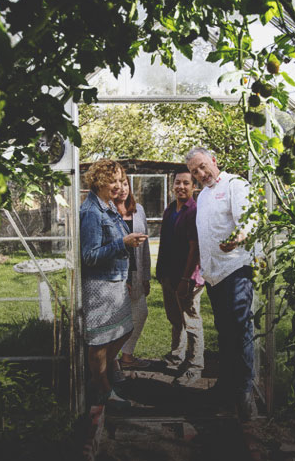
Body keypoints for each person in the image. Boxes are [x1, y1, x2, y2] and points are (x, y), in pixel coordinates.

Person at [185, 147, 257, 421]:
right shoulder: (202, 196)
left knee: (240, 330)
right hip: (214, 275)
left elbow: (249, 221)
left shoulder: (235, 185)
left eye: (203, 166)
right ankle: (226, 387)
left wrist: (237, 239)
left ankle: (244, 394)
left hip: (236, 270)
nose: (201, 174)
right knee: (225, 332)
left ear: (214, 161)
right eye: (195, 171)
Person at [79, 159, 148, 406]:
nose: (119, 186)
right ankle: (103, 391)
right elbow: (89, 256)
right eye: (113, 180)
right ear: (98, 181)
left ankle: (101, 376)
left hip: (114, 281)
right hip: (99, 286)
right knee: (99, 342)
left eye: (121, 180)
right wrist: (123, 243)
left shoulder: (107, 207)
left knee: (125, 329)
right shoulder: (91, 213)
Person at [156, 166, 205, 386]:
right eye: (178, 182)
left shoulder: (194, 211)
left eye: (186, 183)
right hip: (169, 274)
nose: (181, 187)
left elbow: (195, 248)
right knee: (175, 319)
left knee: (191, 322)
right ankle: (177, 357)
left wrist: (187, 280)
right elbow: (165, 244)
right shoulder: (170, 210)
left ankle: (195, 367)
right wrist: (160, 271)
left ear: (194, 187)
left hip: (188, 277)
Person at [114, 172, 151, 369]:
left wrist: (146, 276)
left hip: (136, 272)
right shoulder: (108, 212)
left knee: (141, 312)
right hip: (115, 275)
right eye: (119, 184)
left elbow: (145, 247)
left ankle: (127, 354)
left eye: (126, 184)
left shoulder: (139, 210)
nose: (123, 188)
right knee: (116, 317)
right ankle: (112, 359)